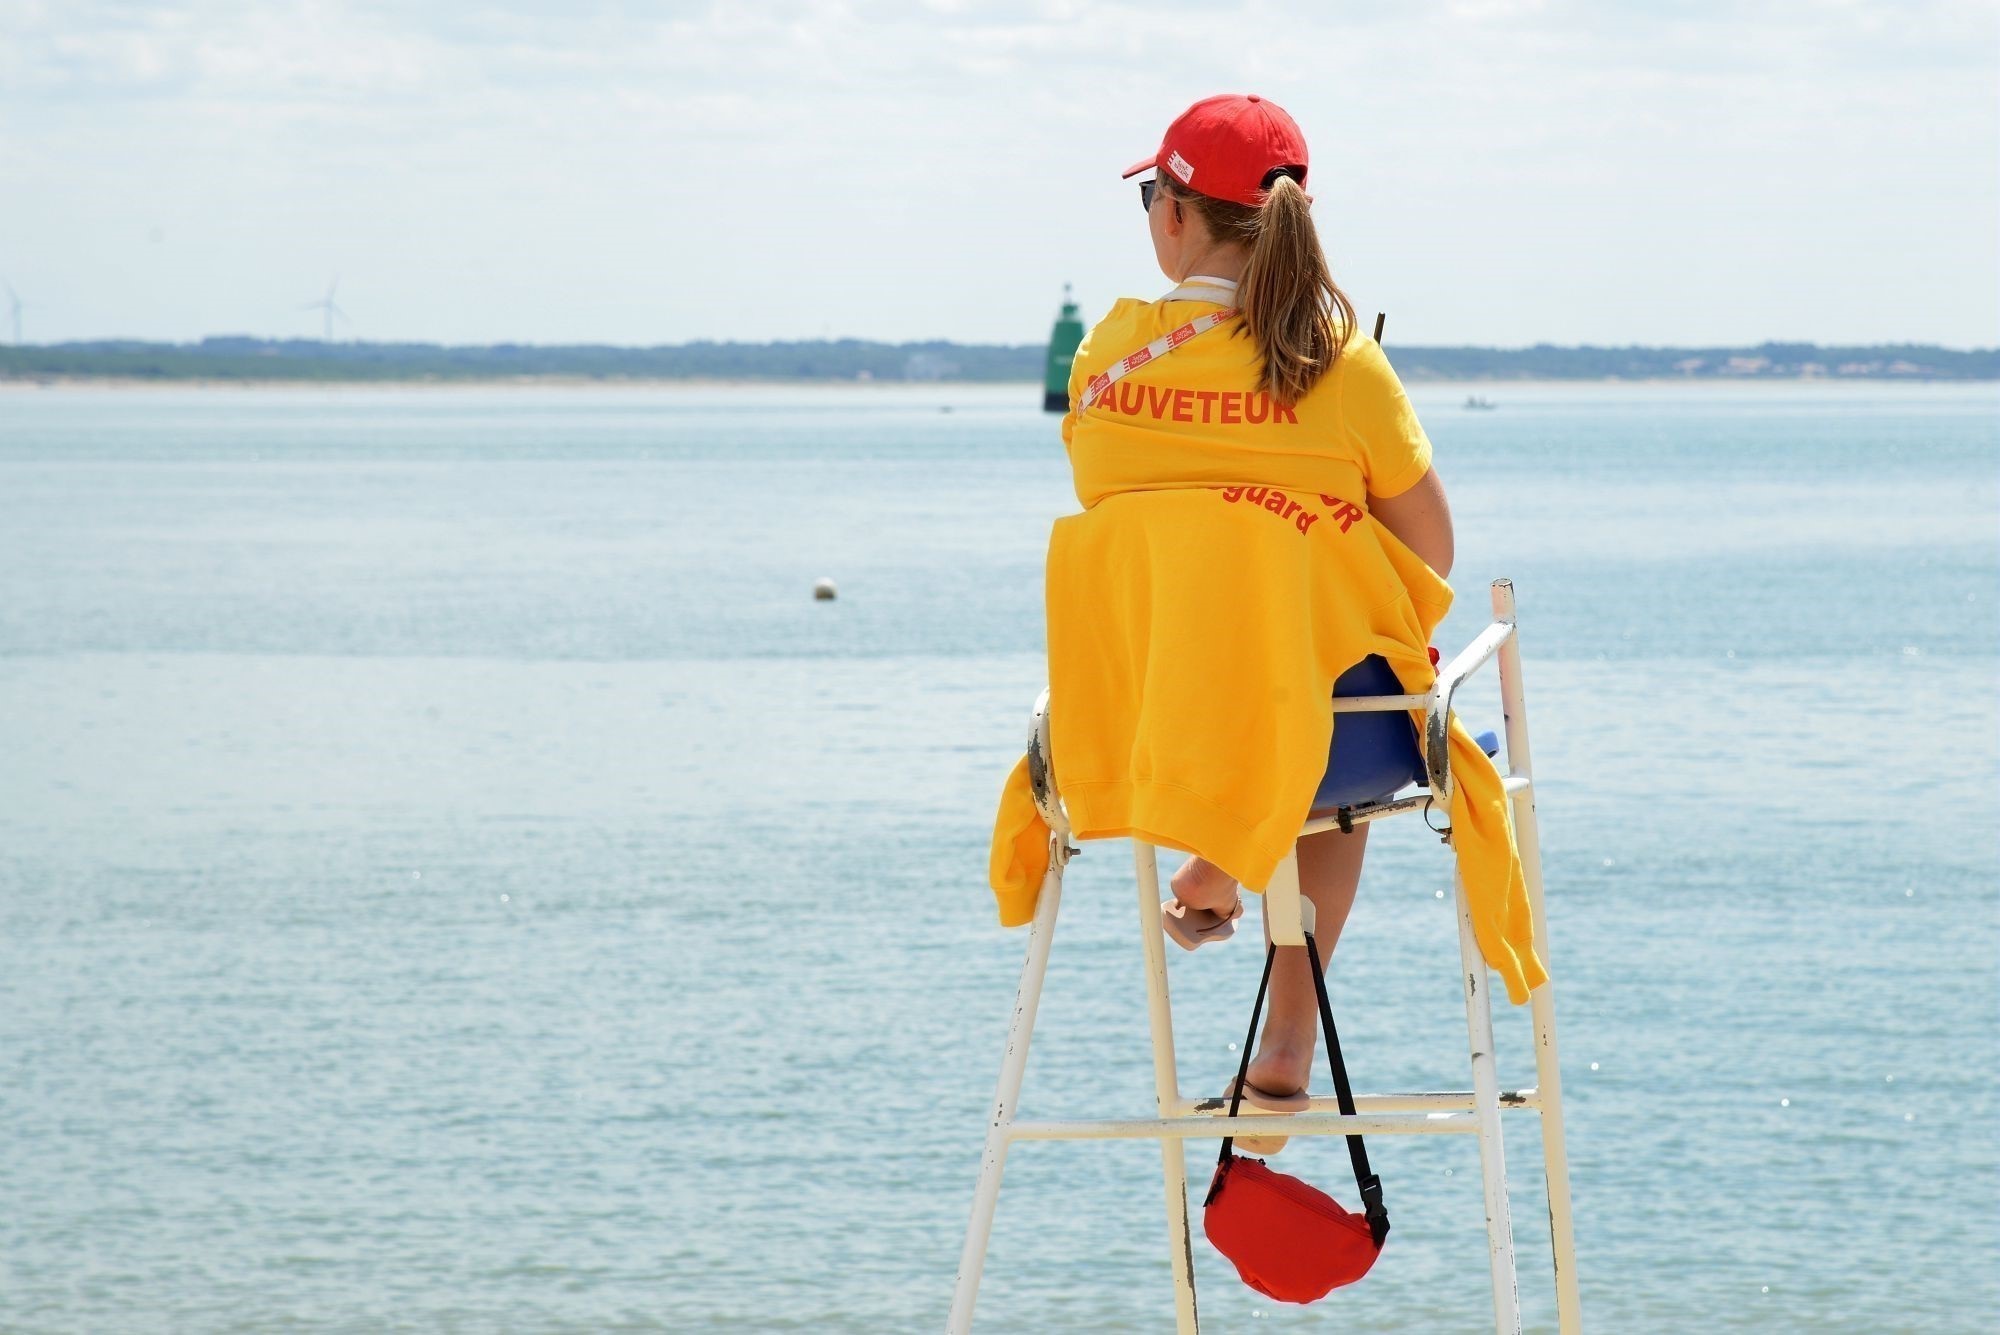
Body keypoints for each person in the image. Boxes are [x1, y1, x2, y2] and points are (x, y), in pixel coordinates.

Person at [987, 93, 1544, 1153]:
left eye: (1153, 192)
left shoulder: (1105, 359)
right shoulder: (1340, 364)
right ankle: (1284, 1014)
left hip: (1144, 726)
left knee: (1252, 652)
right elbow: (1431, 548)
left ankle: (1221, 849)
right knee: (1326, 676)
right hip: (1334, 737)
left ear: (1175, 217)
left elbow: (1130, 514)